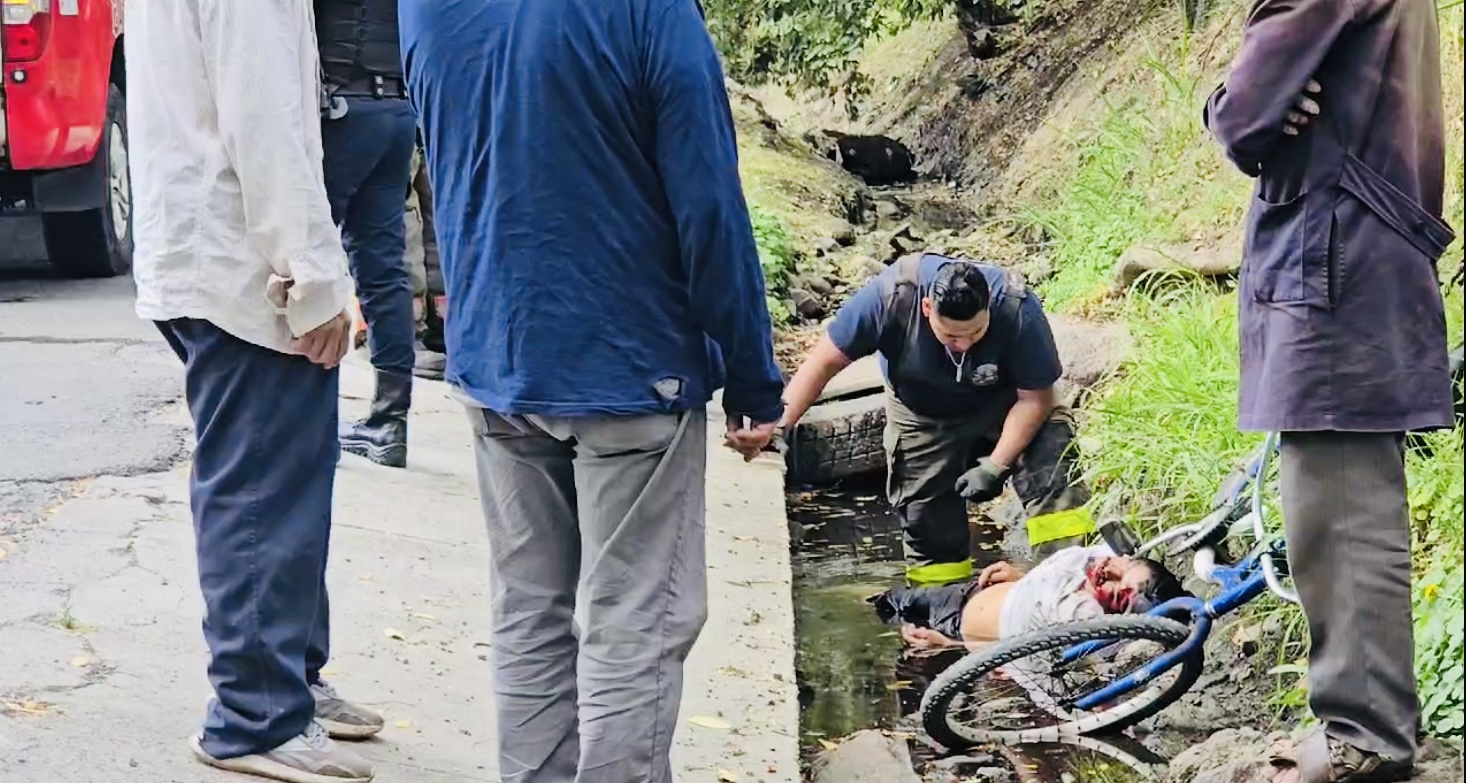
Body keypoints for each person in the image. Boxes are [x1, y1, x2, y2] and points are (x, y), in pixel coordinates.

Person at [399, 1, 785, 781]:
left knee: (528, 613)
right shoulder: (650, 10)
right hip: (630, 366)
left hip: (498, 361)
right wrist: (751, 373)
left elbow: (444, 166)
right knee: (631, 624)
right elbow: (708, 205)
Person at [126, 1, 381, 781]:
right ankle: (254, 714)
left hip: (207, 252)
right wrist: (315, 281)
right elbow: (264, 121)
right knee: (263, 487)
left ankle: (289, 680)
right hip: (241, 269)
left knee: (286, 480)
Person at [1203, 1, 1456, 780]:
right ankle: (1365, 723)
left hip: (1333, 260)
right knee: (1342, 502)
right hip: (1358, 249)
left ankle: (1366, 732)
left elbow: (1245, 118)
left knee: (1338, 508)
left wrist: (1226, 101)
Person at [782, 253, 1094, 587]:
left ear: (988, 305)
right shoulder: (892, 297)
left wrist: (994, 466)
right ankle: (941, 613)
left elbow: (1035, 398)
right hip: (921, 413)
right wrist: (779, 425)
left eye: (974, 334)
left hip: (1007, 406)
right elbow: (825, 362)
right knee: (928, 523)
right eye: (951, 336)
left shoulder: (1016, 307)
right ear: (928, 308)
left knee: (1054, 469)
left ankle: (1076, 586)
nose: (962, 346)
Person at [317, 0, 420, 469]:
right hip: (397, 108)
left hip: (339, 108)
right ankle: (389, 422)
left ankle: (308, 422)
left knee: (308, 262)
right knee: (383, 270)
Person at [872, 546, 1188, 649]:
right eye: (1124, 565)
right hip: (973, 591)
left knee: (892, 619)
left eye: (1118, 591)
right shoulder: (1100, 558)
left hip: (957, 626)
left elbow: (1019, 649)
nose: (1109, 569)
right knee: (886, 601)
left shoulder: (1082, 619)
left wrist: (946, 644)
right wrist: (1023, 577)